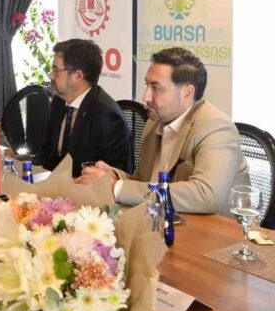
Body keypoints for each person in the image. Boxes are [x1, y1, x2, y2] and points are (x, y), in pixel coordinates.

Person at [79, 47, 249, 215]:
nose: (145, 97)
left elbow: (206, 195)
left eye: (156, 88)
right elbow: (144, 182)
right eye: (147, 85)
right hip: (163, 221)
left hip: (213, 229)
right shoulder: (154, 122)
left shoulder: (216, 127)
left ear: (187, 93)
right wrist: (113, 177)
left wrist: (117, 187)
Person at [38, 39, 130, 178]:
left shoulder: (107, 116)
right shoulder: (59, 101)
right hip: (54, 184)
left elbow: (115, 177)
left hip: (86, 189)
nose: (51, 75)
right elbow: (46, 153)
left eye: (56, 70)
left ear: (78, 75)